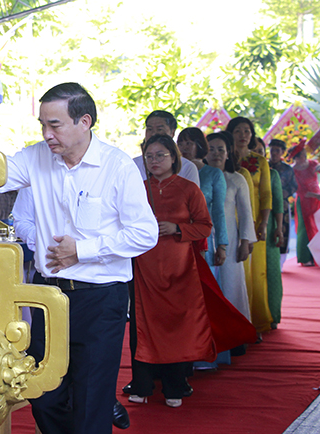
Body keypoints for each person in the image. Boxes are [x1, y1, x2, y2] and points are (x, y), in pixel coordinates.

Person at [0, 82, 158, 434]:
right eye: (42, 125)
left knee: (91, 401)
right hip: (48, 297)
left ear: (85, 122)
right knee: (44, 395)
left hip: (100, 298)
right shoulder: (35, 157)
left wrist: (83, 249)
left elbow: (145, 233)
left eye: (55, 125)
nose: (47, 134)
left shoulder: (117, 166)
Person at [129, 134, 214, 408]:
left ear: (174, 158)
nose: (154, 161)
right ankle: (141, 385)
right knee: (142, 325)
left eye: (160, 155)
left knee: (176, 326)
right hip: (143, 265)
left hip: (179, 267)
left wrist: (177, 228)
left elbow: (204, 226)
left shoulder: (189, 189)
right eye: (149, 156)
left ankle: (174, 386)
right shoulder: (136, 188)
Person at [226, 117, 273, 334]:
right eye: (238, 131)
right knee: (235, 274)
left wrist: (263, 223)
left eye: (247, 131)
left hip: (254, 223)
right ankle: (236, 323)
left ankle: (257, 323)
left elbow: (266, 195)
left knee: (256, 274)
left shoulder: (259, 161)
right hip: (228, 222)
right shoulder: (222, 160)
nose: (243, 135)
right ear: (230, 134)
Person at [206, 132, 257, 322]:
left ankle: (238, 332)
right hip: (204, 240)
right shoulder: (197, 177)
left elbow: (246, 214)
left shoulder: (237, 179)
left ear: (228, 153)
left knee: (233, 285)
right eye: (211, 149)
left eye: (221, 149)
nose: (216, 154)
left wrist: (245, 242)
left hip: (231, 241)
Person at [178, 127, 228, 269]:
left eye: (189, 143)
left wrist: (222, 245)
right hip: (177, 234)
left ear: (199, 145)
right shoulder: (172, 172)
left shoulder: (214, 174)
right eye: (180, 144)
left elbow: (219, 211)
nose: (184, 148)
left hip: (203, 235)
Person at [254, 138, 284, 327]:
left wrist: (279, 228)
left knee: (271, 272)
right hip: (246, 224)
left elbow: (278, 203)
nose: (257, 154)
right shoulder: (240, 172)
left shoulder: (272, 174)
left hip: (269, 226)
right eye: (253, 150)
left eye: (260, 150)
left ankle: (272, 316)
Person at [132, 111, 200, 186]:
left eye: (159, 129)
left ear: (172, 133)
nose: (154, 134)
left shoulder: (187, 167)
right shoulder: (134, 164)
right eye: (150, 129)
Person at [289, 142, 320, 266]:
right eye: (301, 155)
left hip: (317, 200)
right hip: (304, 201)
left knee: (317, 227)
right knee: (305, 228)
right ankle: (305, 257)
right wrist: (316, 196)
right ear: (295, 157)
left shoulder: (313, 164)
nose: (304, 157)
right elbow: (299, 190)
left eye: (304, 154)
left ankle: (316, 256)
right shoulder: (293, 171)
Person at [269, 139, 297, 266]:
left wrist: (285, 194)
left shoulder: (288, 169)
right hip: (266, 204)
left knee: (283, 230)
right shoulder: (263, 166)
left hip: (283, 206)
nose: (274, 153)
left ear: (282, 152)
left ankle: (280, 262)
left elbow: (294, 186)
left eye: (277, 150)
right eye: (272, 150)